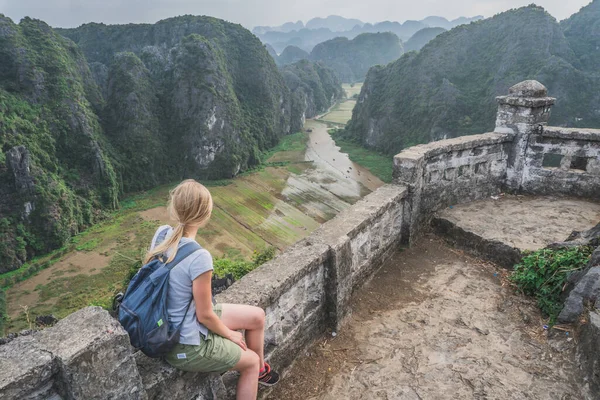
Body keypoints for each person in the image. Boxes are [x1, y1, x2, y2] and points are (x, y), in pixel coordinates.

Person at [144, 179, 279, 399]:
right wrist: (230, 336)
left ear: (174, 208)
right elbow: (205, 315)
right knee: (251, 361)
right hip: (182, 342)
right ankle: (255, 368)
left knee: (257, 317)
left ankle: (261, 371)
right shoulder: (199, 257)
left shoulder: (161, 234)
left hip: (178, 321)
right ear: (206, 214)